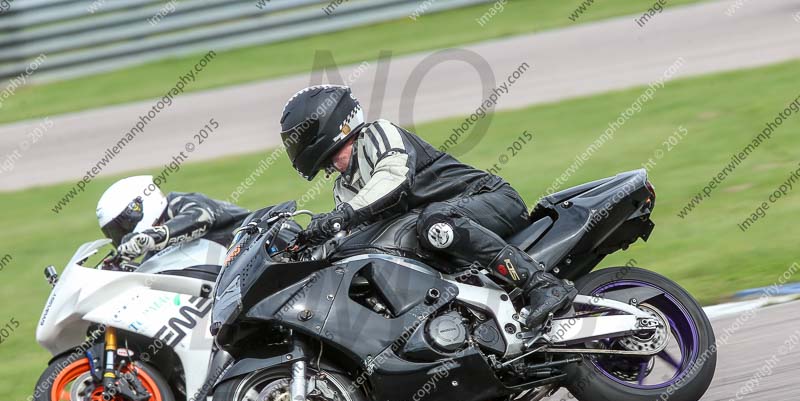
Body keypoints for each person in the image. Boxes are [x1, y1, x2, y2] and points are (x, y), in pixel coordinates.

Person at [279, 85, 576, 330]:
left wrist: (341, 216)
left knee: (435, 223)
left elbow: (392, 178)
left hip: (490, 200)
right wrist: (309, 245)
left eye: (331, 157)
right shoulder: (344, 188)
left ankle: (543, 286)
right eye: (326, 166)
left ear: (342, 130)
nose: (332, 167)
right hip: (447, 230)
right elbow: (358, 240)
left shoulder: (378, 135)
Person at [96, 175, 250, 258]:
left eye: (120, 228)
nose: (122, 237)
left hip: (256, 244)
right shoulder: (153, 254)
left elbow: (200, 218)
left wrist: (153, 236)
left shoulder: (179, 203)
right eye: (112, 232)